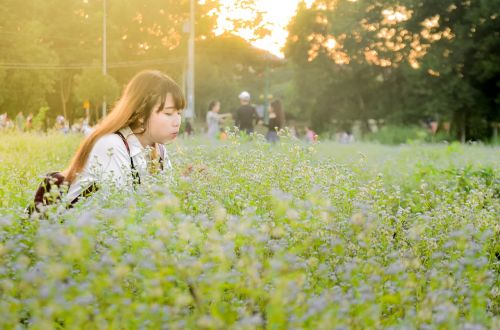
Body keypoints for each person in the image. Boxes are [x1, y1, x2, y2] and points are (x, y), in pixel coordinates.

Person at [63, 70, 185, 204]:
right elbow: (123, 208)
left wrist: (187, 187)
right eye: (168, 113)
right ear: (141, 115)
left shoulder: (158, 149)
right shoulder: (112, 144)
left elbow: (167, 203)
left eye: (178, 113)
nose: (177, 121)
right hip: (75, 223)